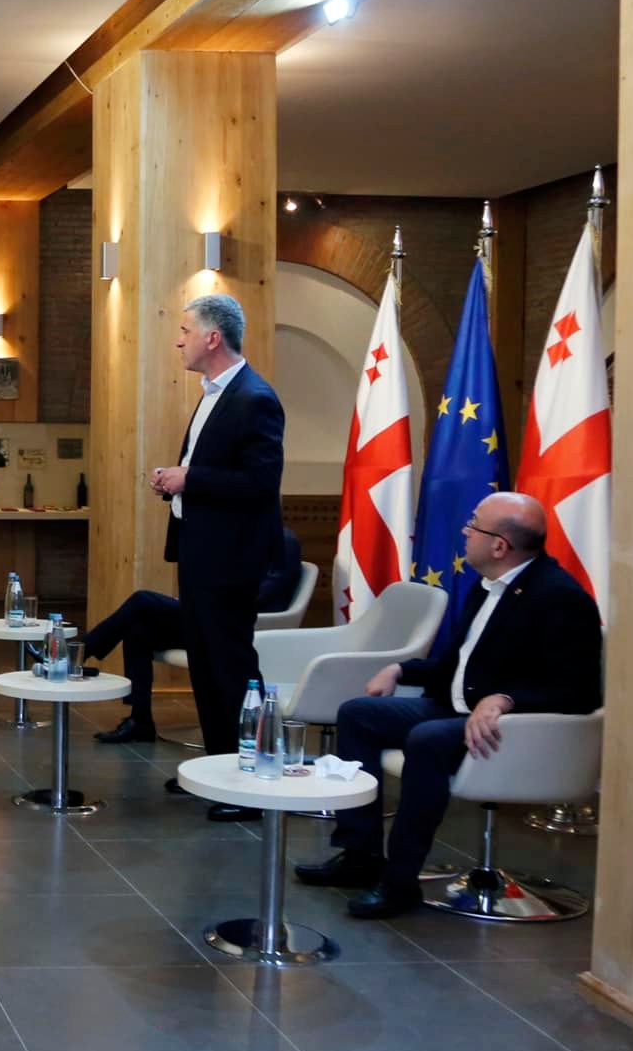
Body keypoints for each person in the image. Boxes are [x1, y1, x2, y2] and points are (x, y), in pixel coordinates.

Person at [295, 492, 603, 918]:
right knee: (358, 714)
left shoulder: (559, 598)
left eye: (473, 525)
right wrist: (402, 669)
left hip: (515, 729)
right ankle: (360, 855)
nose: (464, 531)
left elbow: (581, 691)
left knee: (427, 739)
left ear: (500, 546)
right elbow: (455, 665)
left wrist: (506, 700)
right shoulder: (487, 587)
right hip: (456, 709)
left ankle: (400, 883)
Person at [151, 294, 285, 821]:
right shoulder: (214, 394)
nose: (178, 341)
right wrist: (177, 482)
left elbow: (260, 483)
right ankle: (216, 769)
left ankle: (248, 783)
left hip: (232, 558)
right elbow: (209, 469)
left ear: (213, 338)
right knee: (205, 667)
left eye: (185, 331)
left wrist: (191, 478)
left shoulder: (255, 398)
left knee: (229, 668)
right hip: (200, 550)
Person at [91, 527, 303, 744]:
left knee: (142, 600)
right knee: (139, 629)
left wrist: (213, 600)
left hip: (238, 624)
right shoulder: (242, 537)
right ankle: (140, 719)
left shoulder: (284, 541)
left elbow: (265, 594)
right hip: (209, 617)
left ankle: (83, 649)